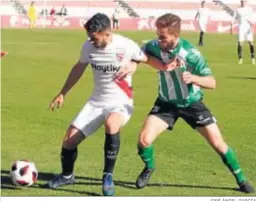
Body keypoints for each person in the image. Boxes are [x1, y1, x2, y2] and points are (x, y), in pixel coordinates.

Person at [132, 13, 254, 194]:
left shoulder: (191, 54)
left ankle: (241, 179)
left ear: (175, 36)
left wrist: (194, 78)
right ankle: (149, 167)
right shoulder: (153, 46)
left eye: (163, 37)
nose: (159, 40)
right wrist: (136, 65)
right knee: (143, 140)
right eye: (158, 34)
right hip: (166, 104)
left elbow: (212, 82)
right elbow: (138, 56)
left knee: (218, 144)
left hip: (192, 104)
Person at [47, 13, 165, 196]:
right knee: (69, 141)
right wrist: (63, 93)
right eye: (89, 37)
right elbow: (79, 67)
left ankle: (107, 176)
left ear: (107, 33)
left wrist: (140, 64)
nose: (90, 41)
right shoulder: (88, 47)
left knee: (112, 123)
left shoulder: (125, 45)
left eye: (94, 37)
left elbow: (147, 59)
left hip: (121, 102)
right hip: (96, 102)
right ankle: (67, 176)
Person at [232, 0, 255, 65]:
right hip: (241, 28)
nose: (242, 2)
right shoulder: (238, 10)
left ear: (246, 2)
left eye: (244, 1)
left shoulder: (249, 9)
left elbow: (252, 17)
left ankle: (253, 59)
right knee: (240, 43)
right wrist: (232, 22)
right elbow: (235, 18)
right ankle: (240, 59)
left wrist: (252, 22)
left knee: (251, 43)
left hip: (248, 28)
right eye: (241, 1)